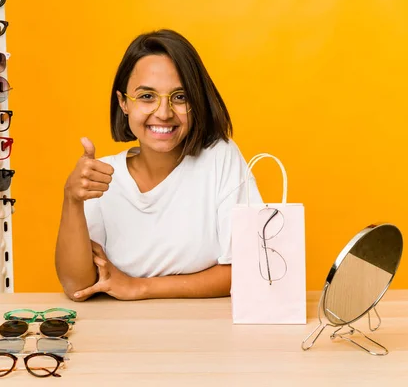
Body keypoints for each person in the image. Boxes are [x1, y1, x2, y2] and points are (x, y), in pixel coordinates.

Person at [55, 29, 263, 301]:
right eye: (146, 97)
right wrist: (72, 199)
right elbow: (78, 287)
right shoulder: (102, 175)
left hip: (207, 332)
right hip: (121, 332)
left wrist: (139, 286)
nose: (164, 113)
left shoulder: (220, 158)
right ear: (123, 103)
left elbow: (248, 269)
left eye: (180, 97)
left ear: (196, 102)